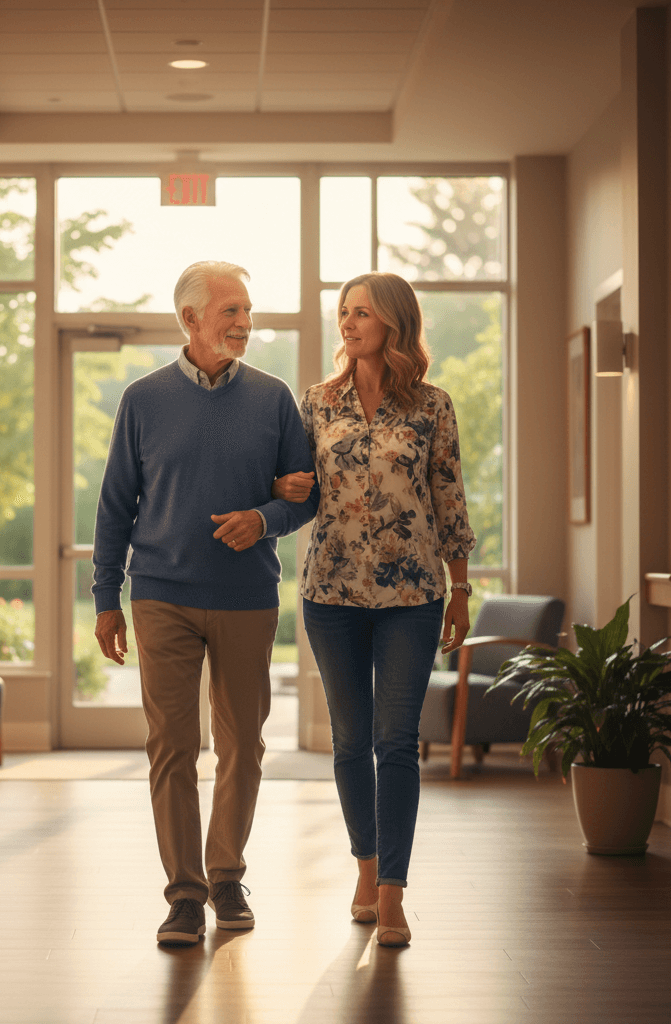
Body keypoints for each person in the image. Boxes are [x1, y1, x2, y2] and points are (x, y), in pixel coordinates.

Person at [92, 260, 320, 946]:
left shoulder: (275, 398)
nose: (245, 324)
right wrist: (106, 597)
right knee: (172, 746)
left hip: (248, 595)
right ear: (190, 320)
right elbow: (114, 506)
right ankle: (185, 894)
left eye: (247, 311)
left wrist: (264, 520)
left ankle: (226, 875)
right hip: (161, 595)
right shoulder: (142, 399)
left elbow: (301, 494)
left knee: (244, 744)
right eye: (230, 312)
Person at [273, 271, 475, 947]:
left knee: (396, 743)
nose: (349, 323)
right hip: (330, 591)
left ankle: (392, 892)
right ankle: (364, 866)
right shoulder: (317, 403)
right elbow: (297, 492)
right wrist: (283, 488)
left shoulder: (432, 407)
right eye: (343, 311)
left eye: (362, 312)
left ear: (393, 322)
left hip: (412, 595)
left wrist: (463, 586)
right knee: (351, 743)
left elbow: (449, 496)